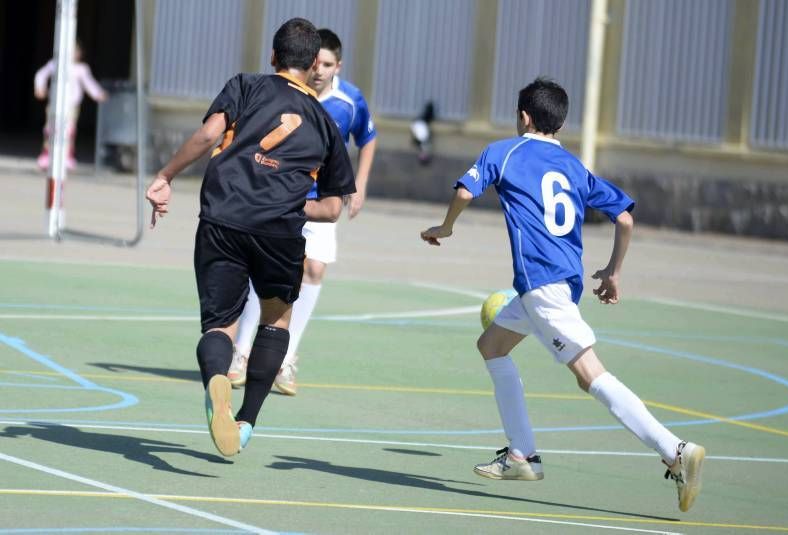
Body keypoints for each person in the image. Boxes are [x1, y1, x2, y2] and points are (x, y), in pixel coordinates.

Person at [420, 77, 705, 512]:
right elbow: (625, 218)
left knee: (590, 374)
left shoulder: (505, 151)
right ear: (561, 123)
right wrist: (613, 272)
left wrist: (446, 227)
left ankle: (674, 450)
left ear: (523, 117)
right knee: (491, 345)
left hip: (542, 286)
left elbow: (464, 190)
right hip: (556, 286)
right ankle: (522, 455)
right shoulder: (574, 166)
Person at [145, 18, 355, 457]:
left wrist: (166, 176)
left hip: (223, 216)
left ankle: (218, 380)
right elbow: (334, 207)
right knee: (276, 320)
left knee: (220, 325)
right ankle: (246, 421)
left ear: (274, 57)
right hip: (279, 230)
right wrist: (294, 206)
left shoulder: (246, 85)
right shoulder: (325, 122)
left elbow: (208, 134)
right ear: (314, 63)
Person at [228, 28, 377, 396]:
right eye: (318, 63)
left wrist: (359, 186)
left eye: (329, 64)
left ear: (337, 65)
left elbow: (368, 139)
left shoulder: (349, 101)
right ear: (309, 63)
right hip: (278, 197)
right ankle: (242, 353)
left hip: (320, 201)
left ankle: (287, 357)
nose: (322, 70)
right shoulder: (286, 93)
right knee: (263, 274)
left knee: (314, 268)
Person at [34, 41, 108, 171]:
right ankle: (47, 155)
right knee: (51, 129)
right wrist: (40, 88)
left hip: (71, 106)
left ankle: (67, 157)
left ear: (79, 54)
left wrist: (98, 94)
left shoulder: (81, 69)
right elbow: (41, 75)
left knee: (69, 130)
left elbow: (89, 83)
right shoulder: (54, 64)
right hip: (55, 104)